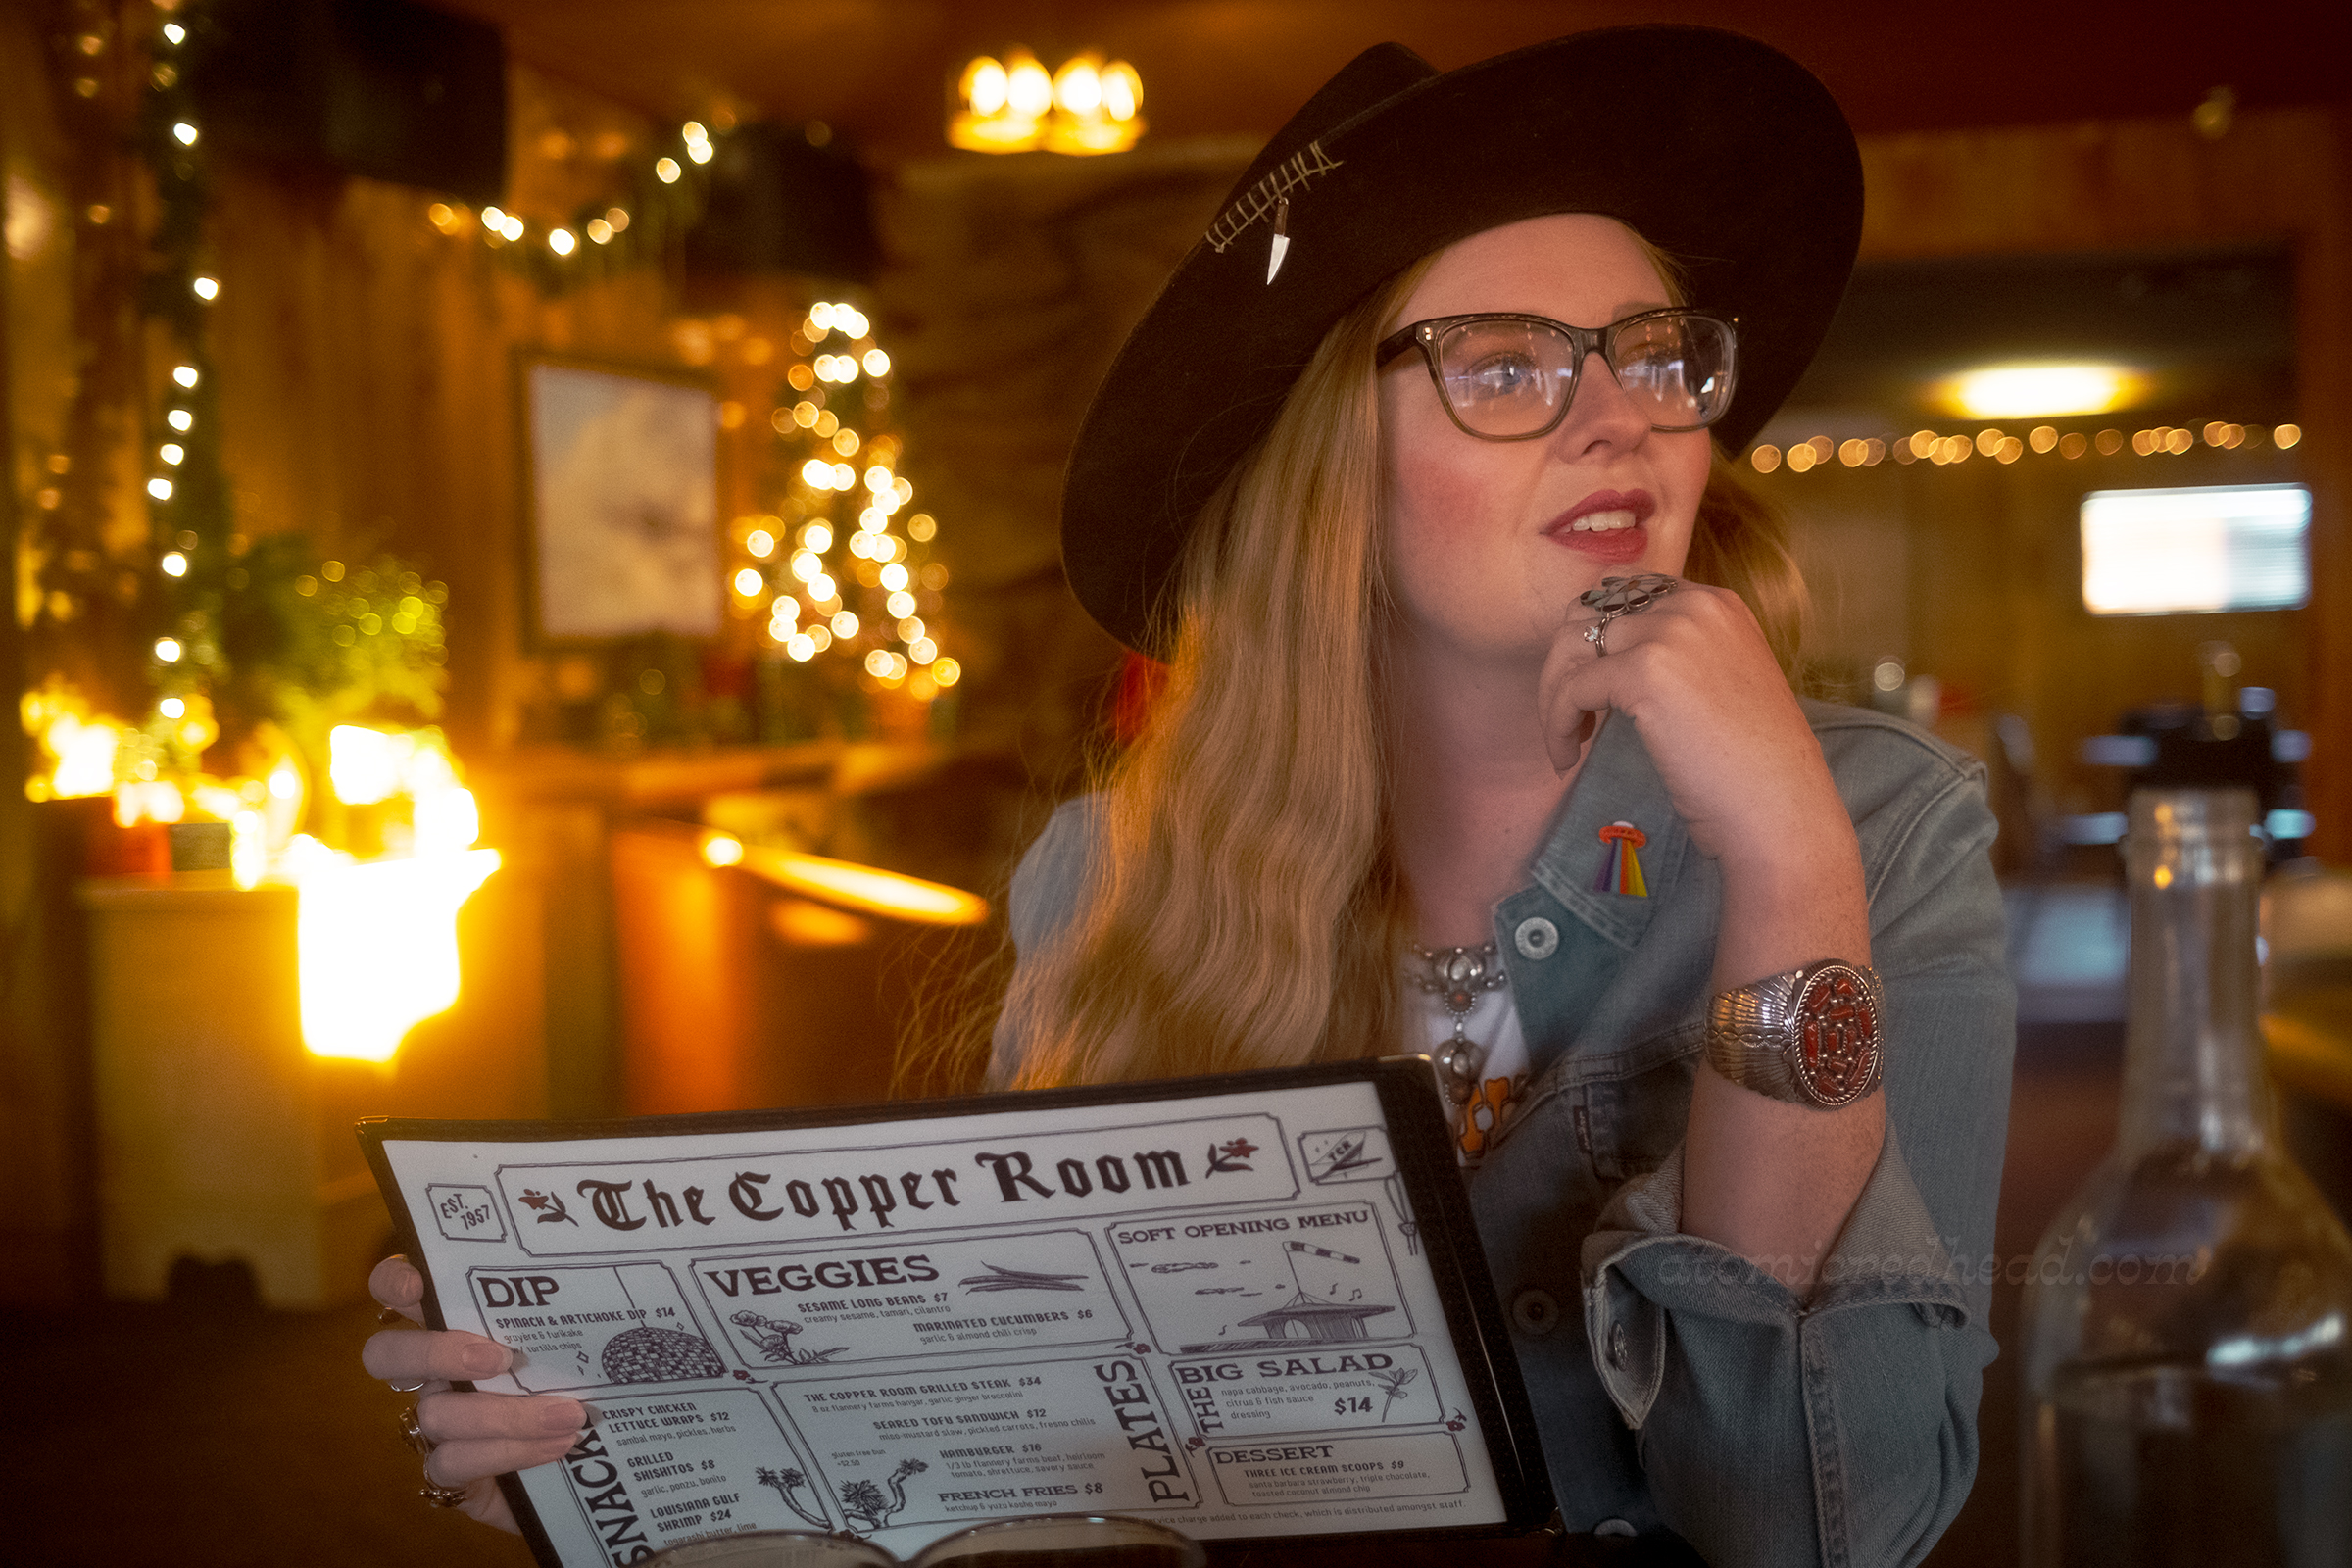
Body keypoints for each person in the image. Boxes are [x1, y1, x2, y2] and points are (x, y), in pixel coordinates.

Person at [365, 25, 2012, 1566]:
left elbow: (1821, 1520)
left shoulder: (1880, 825)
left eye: (1656, 358)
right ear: (1326, 465)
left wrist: (1789, 867)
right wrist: (630, 1454)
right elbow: (1033, 1476)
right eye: (1506, 368)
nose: (1620, 419)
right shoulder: (1110, 871)